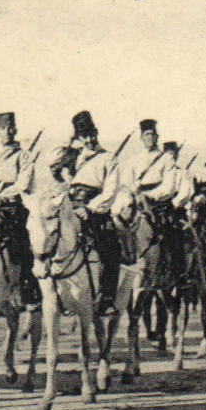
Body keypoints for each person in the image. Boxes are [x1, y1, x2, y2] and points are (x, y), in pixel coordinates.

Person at [0, 112, 40, 309]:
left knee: (22, 243)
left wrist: (0, 189)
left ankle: (26, 286)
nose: (9, 132)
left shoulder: (23, 156)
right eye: (5, 129)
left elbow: (22, 184)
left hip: (13, 207)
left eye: (12, 128)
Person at [66, 110, 122, 315]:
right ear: (78, 138)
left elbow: (110, 191)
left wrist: (89, 209)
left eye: (91, 134)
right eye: (84, 136)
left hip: (95, 210)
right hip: (71, 206)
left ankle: (106, 298)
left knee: (111, 248)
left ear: (96, 133)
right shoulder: (72, 157)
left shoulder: (108, 158)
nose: (89, 140)